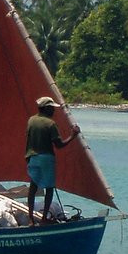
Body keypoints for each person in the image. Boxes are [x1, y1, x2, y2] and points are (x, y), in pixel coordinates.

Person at [25, 96, 80, 224]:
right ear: (46, 108)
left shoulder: (31, 120)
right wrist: (73, 135)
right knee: (49, 188)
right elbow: (59, 145)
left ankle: (30, 219)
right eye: (52, 108)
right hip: (46, 158)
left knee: (33, 188)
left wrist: (27, 157)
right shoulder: (50, 124)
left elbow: (28, 140)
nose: (53, 111)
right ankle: (44, 218)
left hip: (32, 157)